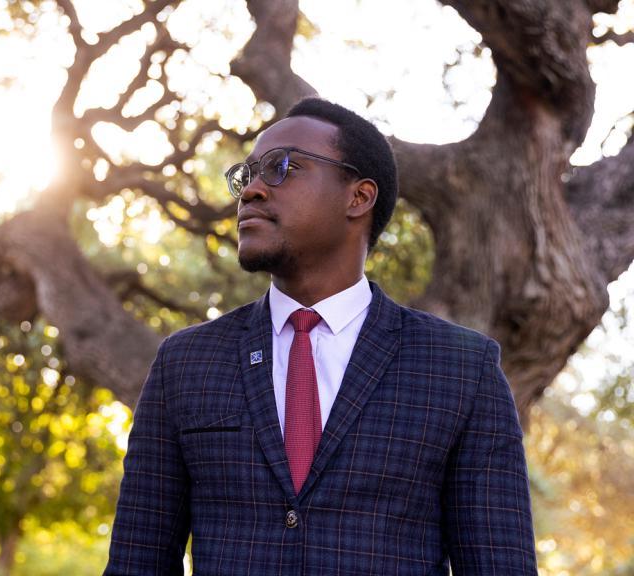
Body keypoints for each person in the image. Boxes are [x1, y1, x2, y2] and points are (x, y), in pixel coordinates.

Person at [103, 98, 538, 575]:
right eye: (245, 176)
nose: (251, 191)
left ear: (359, 197)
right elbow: (136, 562)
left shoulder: (462, 369)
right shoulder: (185, 362)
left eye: (280, 168)